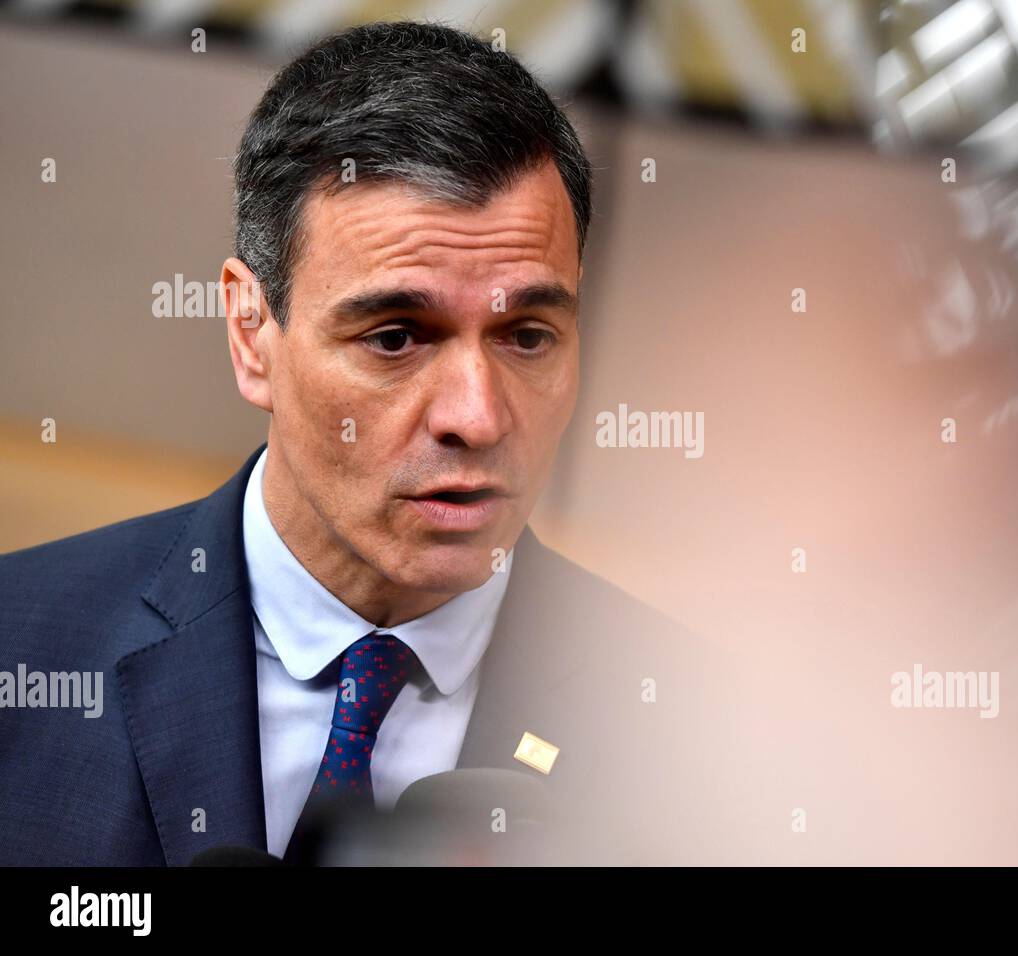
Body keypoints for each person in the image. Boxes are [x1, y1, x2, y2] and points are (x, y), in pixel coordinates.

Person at [0, 20, 742, 866]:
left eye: (528, 337)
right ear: (252, 333)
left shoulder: (722, 750)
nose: (478, 416)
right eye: (396, 337)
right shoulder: (22, 655)